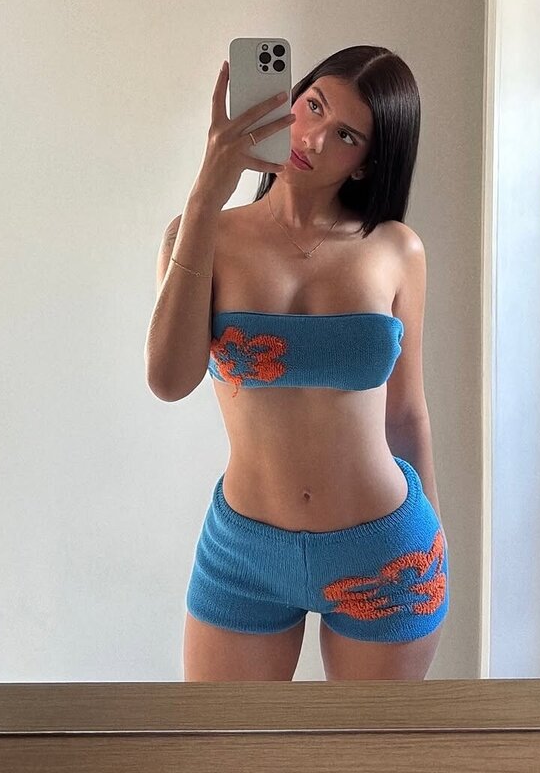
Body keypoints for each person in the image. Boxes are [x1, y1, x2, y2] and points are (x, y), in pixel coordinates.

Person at [146, 45, 448, 681]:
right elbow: (168, 381)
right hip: (244, 553)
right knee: (223, 737)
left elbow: (406, 413)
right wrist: (206, 193)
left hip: (384, 551)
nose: (312, 137)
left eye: (346, 135)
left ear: (368, 162)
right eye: (313, 106)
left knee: (368, 742)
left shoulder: (397, 250)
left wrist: (436, 539)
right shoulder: (200, 235)